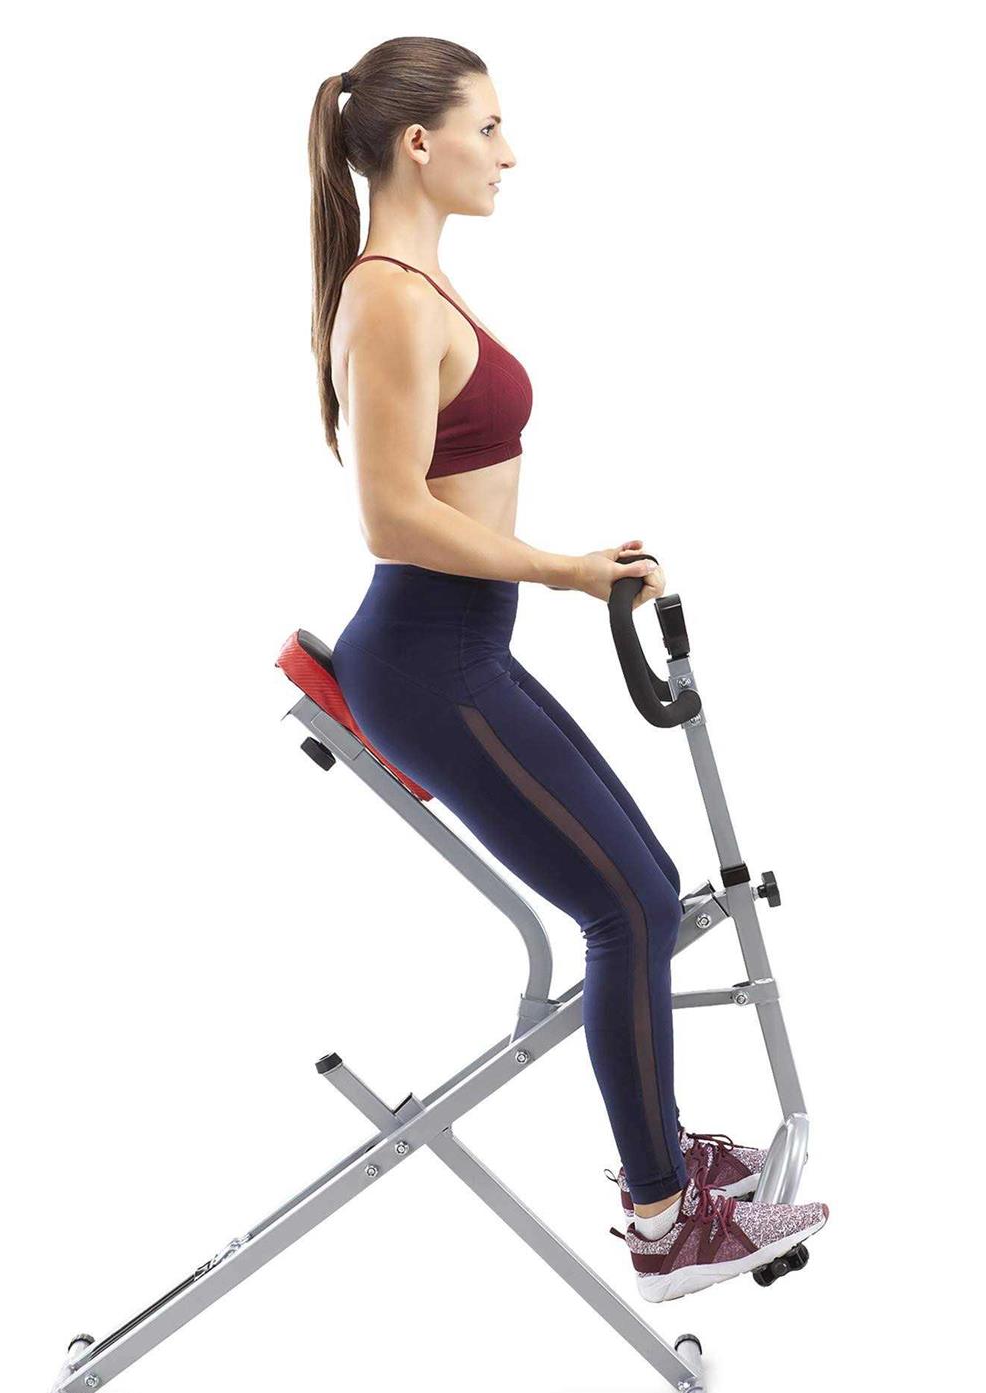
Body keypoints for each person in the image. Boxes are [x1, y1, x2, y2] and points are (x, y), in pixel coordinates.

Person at [306, 37, 826, 1301]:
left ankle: (670, 1161)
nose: (510, 153)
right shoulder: (388, 296)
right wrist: (565, 571)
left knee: (647, 886)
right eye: (488, 127)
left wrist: (564, 569)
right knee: (626, 911)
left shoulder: (420, 283)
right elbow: (389, 516)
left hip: (465, 648)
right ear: (419, 143)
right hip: (428, 662)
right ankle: (663, 1221)